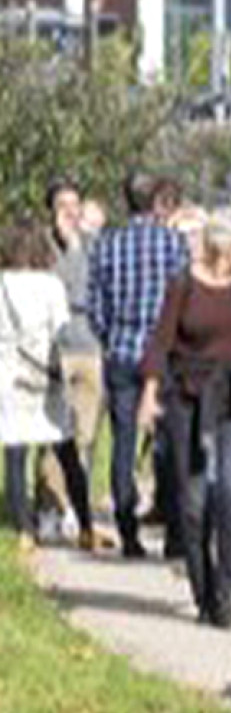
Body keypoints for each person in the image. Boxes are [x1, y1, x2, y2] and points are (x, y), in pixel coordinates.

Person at [138, 209, 231, 627]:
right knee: (191, 503)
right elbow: (161, 341)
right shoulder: (184, 284)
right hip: (189, 396)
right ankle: (202, 588)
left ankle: (226, 589)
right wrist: (150, 393)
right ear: (226, 244)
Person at [87, 173, 190, 558]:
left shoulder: (106, 244)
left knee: (124, 443)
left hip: (122, 351)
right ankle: (174, 532)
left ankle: (127, 528)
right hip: (164, 355)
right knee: (168, 442)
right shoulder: (175, 244)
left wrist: (111, 336)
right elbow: (184, 299)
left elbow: (95, 305)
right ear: (156, 202)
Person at [0, 223, 96, 548]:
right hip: (46, 379)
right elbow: (63, 332)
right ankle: (86, 527)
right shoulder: (52, 285)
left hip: (9, 378)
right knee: (67, 454)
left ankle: (24, 531)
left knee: (15, 456)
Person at [37, 179, 109, 546]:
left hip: (90, 348)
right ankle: (48, 507)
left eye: (74, 204)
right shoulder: (45, 247)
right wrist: (71, 250)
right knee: (53, 434)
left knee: (83, 434)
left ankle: (72, 509)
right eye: (62, 204)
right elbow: (57, 291)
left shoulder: (94, 246)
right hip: (55, 349)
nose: (69, 211)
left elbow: (92, 290)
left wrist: (80, 247)